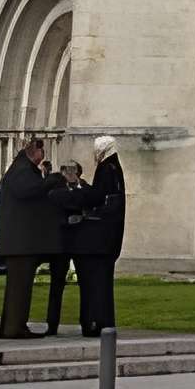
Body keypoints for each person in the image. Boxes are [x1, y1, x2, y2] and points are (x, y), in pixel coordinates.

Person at [0, 137, 68, 341]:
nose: (42, 158)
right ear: (34, 152)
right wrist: (50, 181)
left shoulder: (20, 170)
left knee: (18, 287)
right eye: (41, 154)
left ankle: (11, 325)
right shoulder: (22, 171)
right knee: (20, 288)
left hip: (21, 242)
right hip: (20, 243)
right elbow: (28, 191)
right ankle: (14, 327)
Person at [74, 136, 125, 337]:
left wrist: (81, 189)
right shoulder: (115, 168)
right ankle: (104, 320)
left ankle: (96, 321)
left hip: (100, 236)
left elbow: (97, 196)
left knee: (97, 282)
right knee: (103, 282)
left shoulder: (105, 169)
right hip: (110, 236)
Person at [44, 162, 87, 337]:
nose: (69, 173)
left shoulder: (85, 188)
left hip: (80, 242)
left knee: (86, 284)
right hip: (61, 243)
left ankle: (87, 322)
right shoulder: (55, 190)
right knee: (56, 285)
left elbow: (91, 201)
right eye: (66, 170)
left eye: (72, 170)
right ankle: (52, 324)